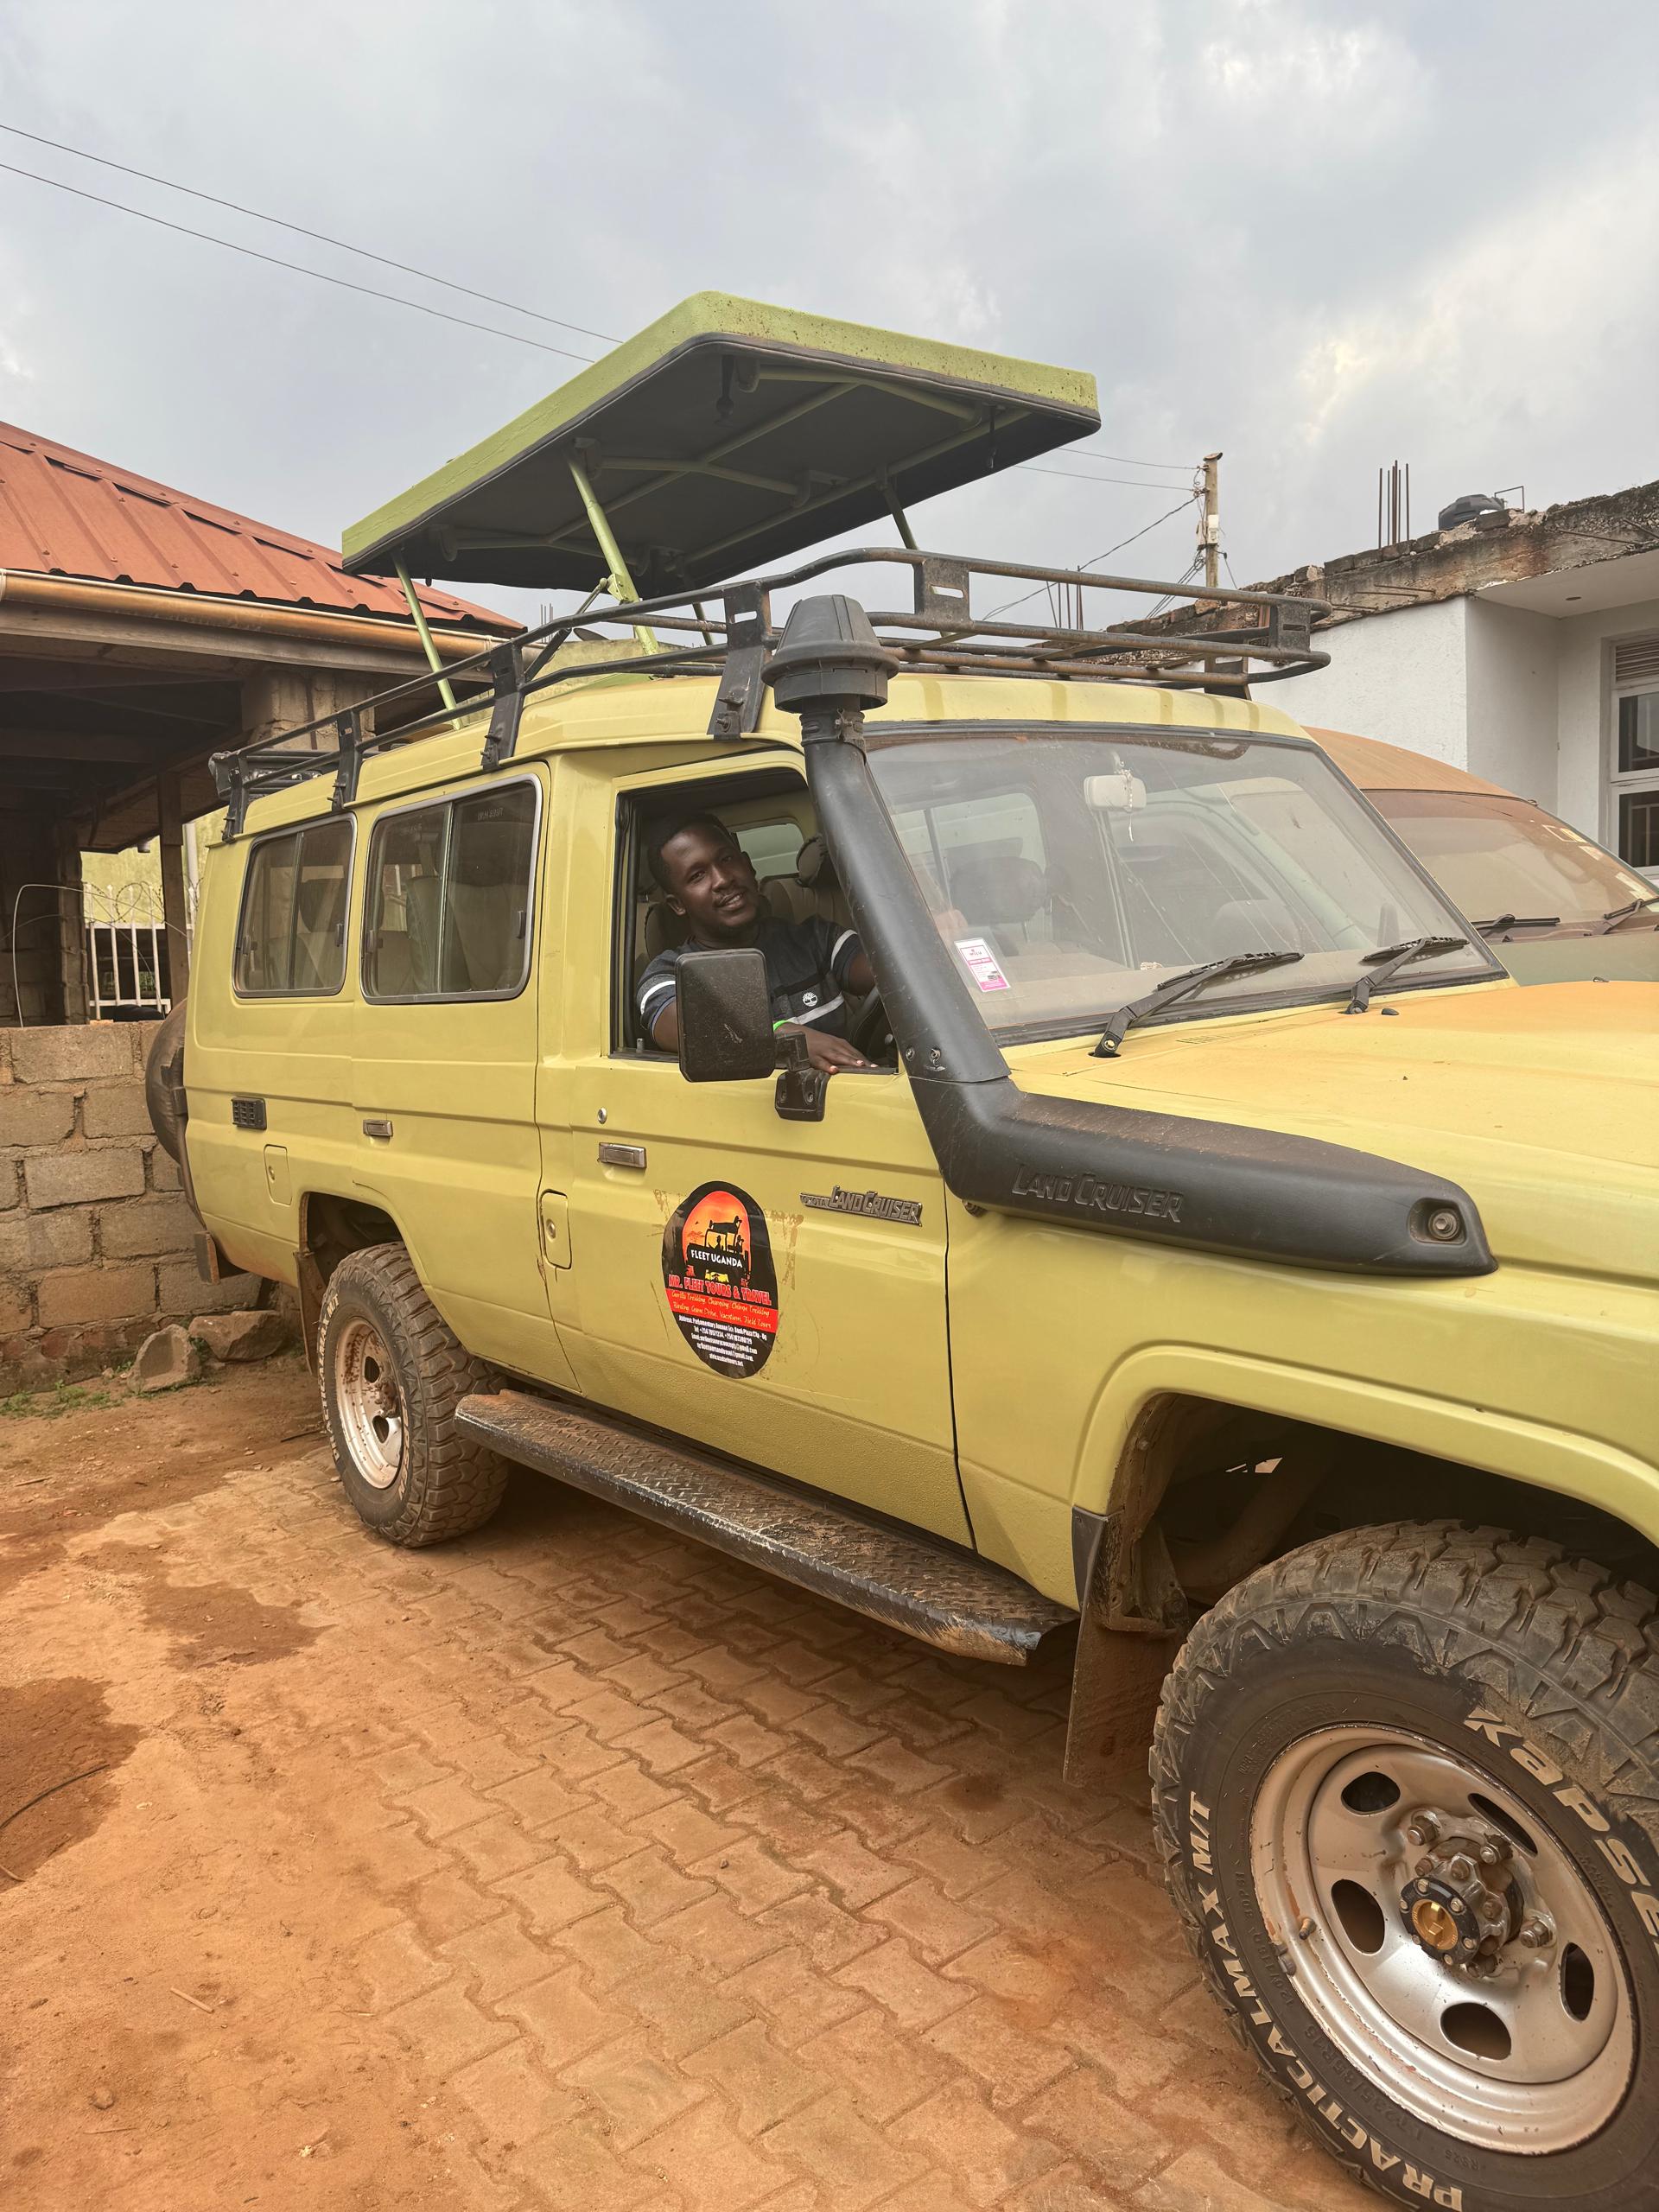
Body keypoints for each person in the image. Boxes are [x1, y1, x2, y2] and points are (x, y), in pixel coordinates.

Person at [638, 811, 875, 1071]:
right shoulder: (669, 973)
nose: (722, 879)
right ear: (678, 904)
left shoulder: (816, 938)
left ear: (749, 866)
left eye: (726, 859)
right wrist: (781, 1036)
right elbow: (687, 1027)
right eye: (697, 876)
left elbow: (891, 974)